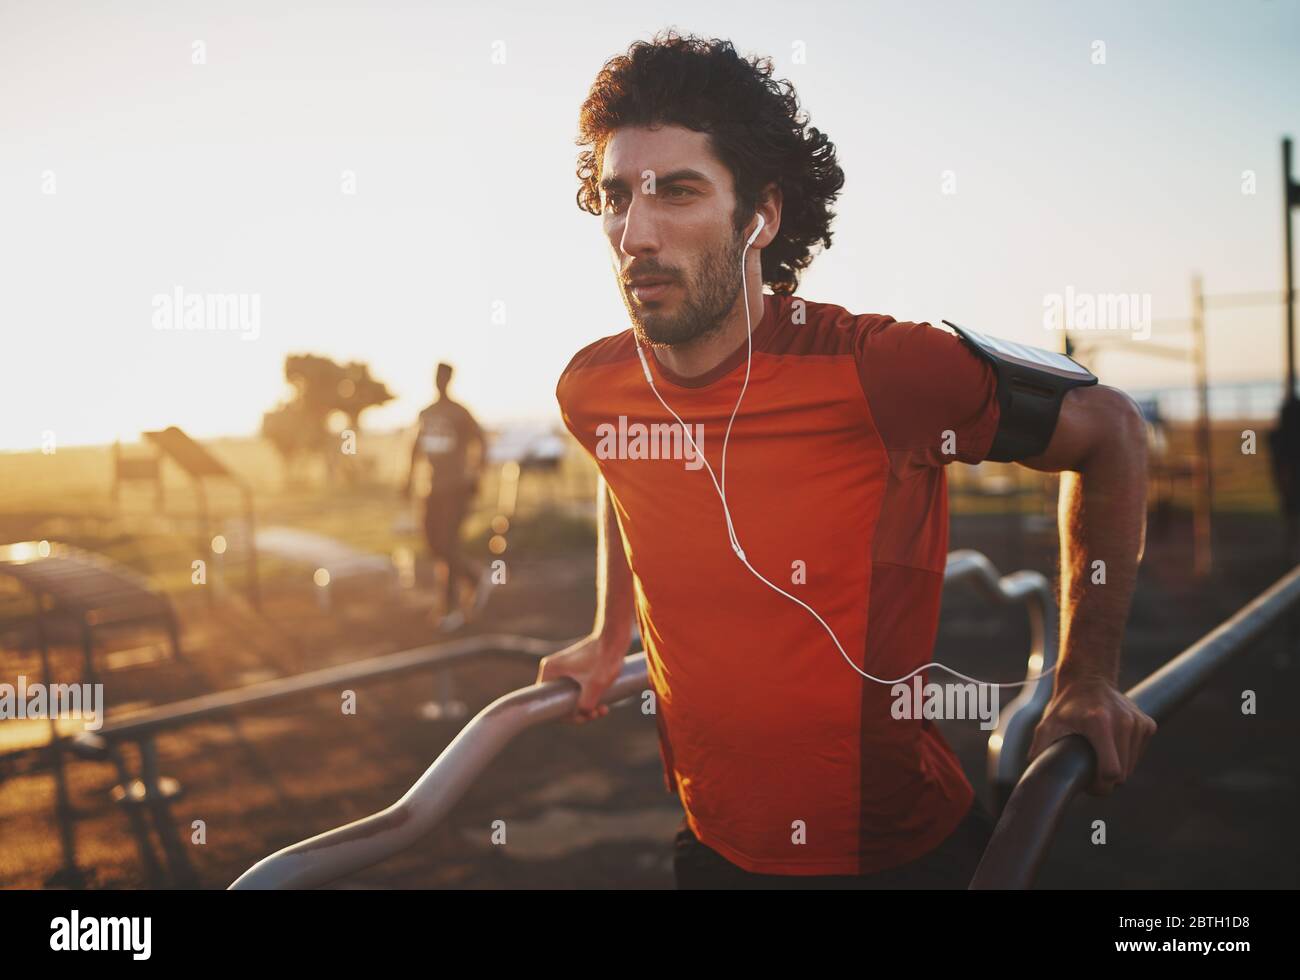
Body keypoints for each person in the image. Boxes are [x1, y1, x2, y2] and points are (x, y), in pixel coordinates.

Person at [538, 32, 1157, 889]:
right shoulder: (593, 386)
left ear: (762, 214)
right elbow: (626, 474)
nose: (634, 232)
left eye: (676, 192)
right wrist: (610, 636)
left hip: (898, 856)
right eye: (615, 197)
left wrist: (1087, 679)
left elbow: (1112, 431)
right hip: (712, 847)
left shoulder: (880, 369)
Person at [402, 362, 487, 631]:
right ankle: (474, 578)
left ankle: (448, 607)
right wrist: (407, 478)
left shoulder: (461, 413)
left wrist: (475, 476)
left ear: (450, 379)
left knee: (448, 545)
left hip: (455, 487)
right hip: (431, 488)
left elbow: (481, 443)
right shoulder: (426, 413)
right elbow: (415, 447)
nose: (439, 381)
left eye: (443, 377)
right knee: (433, 543)